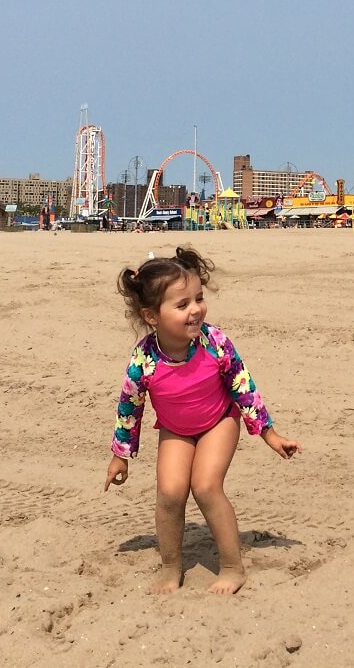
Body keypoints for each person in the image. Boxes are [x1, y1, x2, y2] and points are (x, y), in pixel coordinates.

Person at [104, 247, 300, 594]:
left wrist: (269, 434)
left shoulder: (215, 342)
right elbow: (129, 406)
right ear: (152, 316)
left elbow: (243, 386)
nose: (195, 309)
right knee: (169, 492)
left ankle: (231, 566)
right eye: (182, 305)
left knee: (206, 487)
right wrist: (120, 455)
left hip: (219, 421)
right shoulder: (144, 359)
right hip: (175, 430)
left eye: (198, 298)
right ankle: (170, 567)